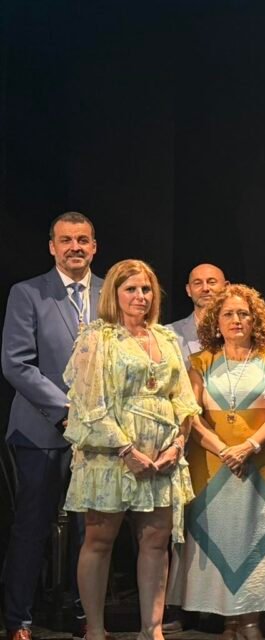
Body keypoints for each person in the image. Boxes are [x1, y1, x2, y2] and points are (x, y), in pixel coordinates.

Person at [62, 259, 199, 640]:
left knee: (156, 542)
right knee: (99, 540)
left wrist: (178, 443)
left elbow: (184, 398)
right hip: (110, 458)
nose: (141, 296)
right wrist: (126, 450)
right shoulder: (97, 337)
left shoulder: (168, 338)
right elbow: (90, 404)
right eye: (131, 289)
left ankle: (151, 629)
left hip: (162, 460)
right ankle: (95, 628)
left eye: (146, 289)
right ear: (114, 294)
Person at [165, 284, 265, 640]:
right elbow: (190, 413)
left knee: (258, 539)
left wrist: (248, 446)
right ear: (216, 322)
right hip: (213, 466)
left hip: (261, 464)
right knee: (220, 539)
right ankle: (228, 619)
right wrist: (221, 448)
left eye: (244, 313)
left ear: (256, 320)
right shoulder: (201, 361)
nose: (236, 320)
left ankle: (251, 619)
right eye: (228, 314)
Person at [2, 212, 101, 640]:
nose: (74, 247)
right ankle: (17, 618)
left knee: (91, 532)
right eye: (66, 240)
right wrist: (65, 412)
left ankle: (86, 615)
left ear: (94, 246)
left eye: (82, 240)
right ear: (52, 246)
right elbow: (17, 363)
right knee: (32, 526)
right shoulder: (27, 293)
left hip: (100, 435)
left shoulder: (111, 293)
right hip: (43, 431)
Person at [167, 264, 227, 365]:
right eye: (197, 283)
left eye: (211, 282)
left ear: (226, 287)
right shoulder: (169, 334)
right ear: (188, 290)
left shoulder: (241, 331)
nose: (205, 288)